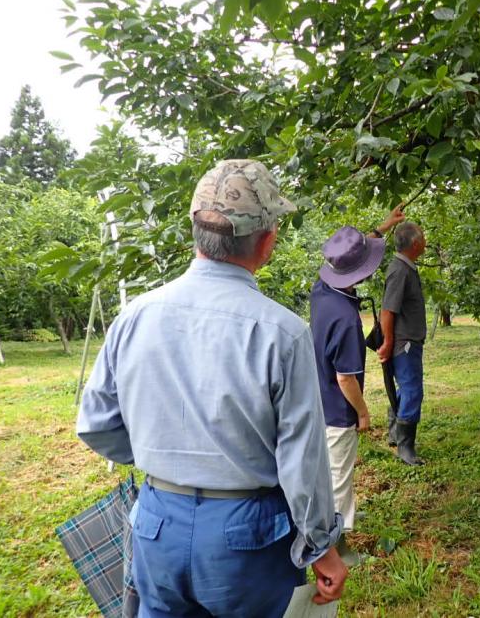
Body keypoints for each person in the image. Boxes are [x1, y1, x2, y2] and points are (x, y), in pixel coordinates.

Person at [76, 160, 347, 617]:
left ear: (196, 232)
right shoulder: (281, 332)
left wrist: (164, 456)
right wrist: (322, 547)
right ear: (267, 240)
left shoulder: (135, 317)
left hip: (157, 521)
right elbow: (302, 460)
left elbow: (97, 425)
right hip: (247, 535)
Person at [309, 207, 405, 557]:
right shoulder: (348, 320)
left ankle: (340, 519)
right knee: (338, 477)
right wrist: (363, 414)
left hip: (318, 400)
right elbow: (346, 378)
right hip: (338, 410)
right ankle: (338, 548)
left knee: (330, 471)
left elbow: (350, 249)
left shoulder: (322, 290)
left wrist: (383, 227)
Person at [377, 221, 427, 466]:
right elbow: (388, 310)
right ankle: (405, 447)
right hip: (404, 342)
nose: (426, 241)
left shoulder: (406, 267)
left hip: (410, 339)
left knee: (406, 388)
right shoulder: (399, 270)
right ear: (416, 243)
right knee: (412, 390)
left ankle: (395, 431)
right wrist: (387, 342)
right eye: (423, 237)